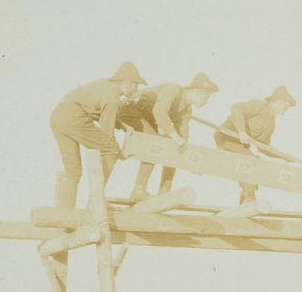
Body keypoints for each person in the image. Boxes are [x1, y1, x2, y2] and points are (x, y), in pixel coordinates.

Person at [49, 61, 146, 194]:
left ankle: (67, 206)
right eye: (136, 85)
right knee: (110, 149)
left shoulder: (104, 85)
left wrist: (121, 125)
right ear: (126, 83)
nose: (136, 89)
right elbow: (107, 135)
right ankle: (96, 199)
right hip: (74, 117)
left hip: (58, 116)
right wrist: (119, 153)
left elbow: (96, 110)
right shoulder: (113, 98)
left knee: (73, 171)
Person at [122, 72, 220, 202]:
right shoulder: (172, 89)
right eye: (206, 97)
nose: (206, 101)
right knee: (155, 144)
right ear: (197, 92)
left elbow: (183, 140)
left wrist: (191, 163)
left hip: (147, 118)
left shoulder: (186, 110)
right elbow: (159, 112)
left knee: (174, 147)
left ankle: (164, 190)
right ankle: (138, 190)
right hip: (131, 110)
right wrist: (174, 136)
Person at [213, 86, 296, 204]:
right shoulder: (260, 106)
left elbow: (264, 148)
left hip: (240, 145)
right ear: (280, 103)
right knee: (252, 161)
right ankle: (250, 199)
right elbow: (237, 107)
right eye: (286, 106)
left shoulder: (271, 123)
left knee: (247, 173)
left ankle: (245, 203)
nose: (286, 109)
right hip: (227, 137)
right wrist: (241, 131)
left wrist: (284, 156)